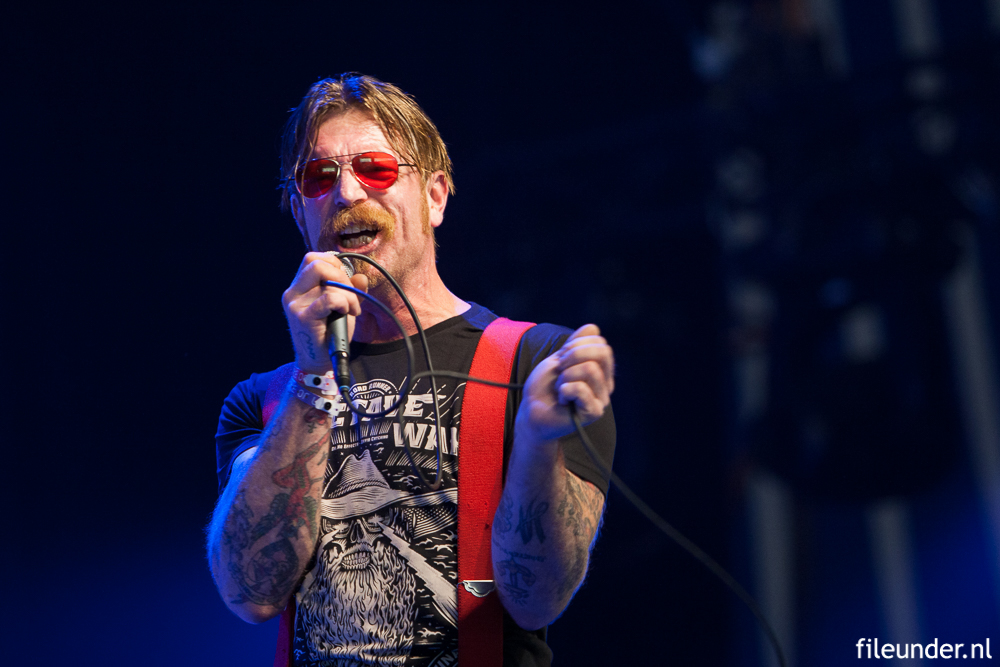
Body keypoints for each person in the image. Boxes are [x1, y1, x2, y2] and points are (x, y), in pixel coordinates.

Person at [206, 73, 617, 667]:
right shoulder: (264, 402)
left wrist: (537, 444)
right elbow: (251, 593)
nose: (346, 192)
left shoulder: (538, 366)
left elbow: (536, 601)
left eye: (374, 168)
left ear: (435, 197)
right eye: (319, 177)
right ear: (300, 213)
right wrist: (312, 380)